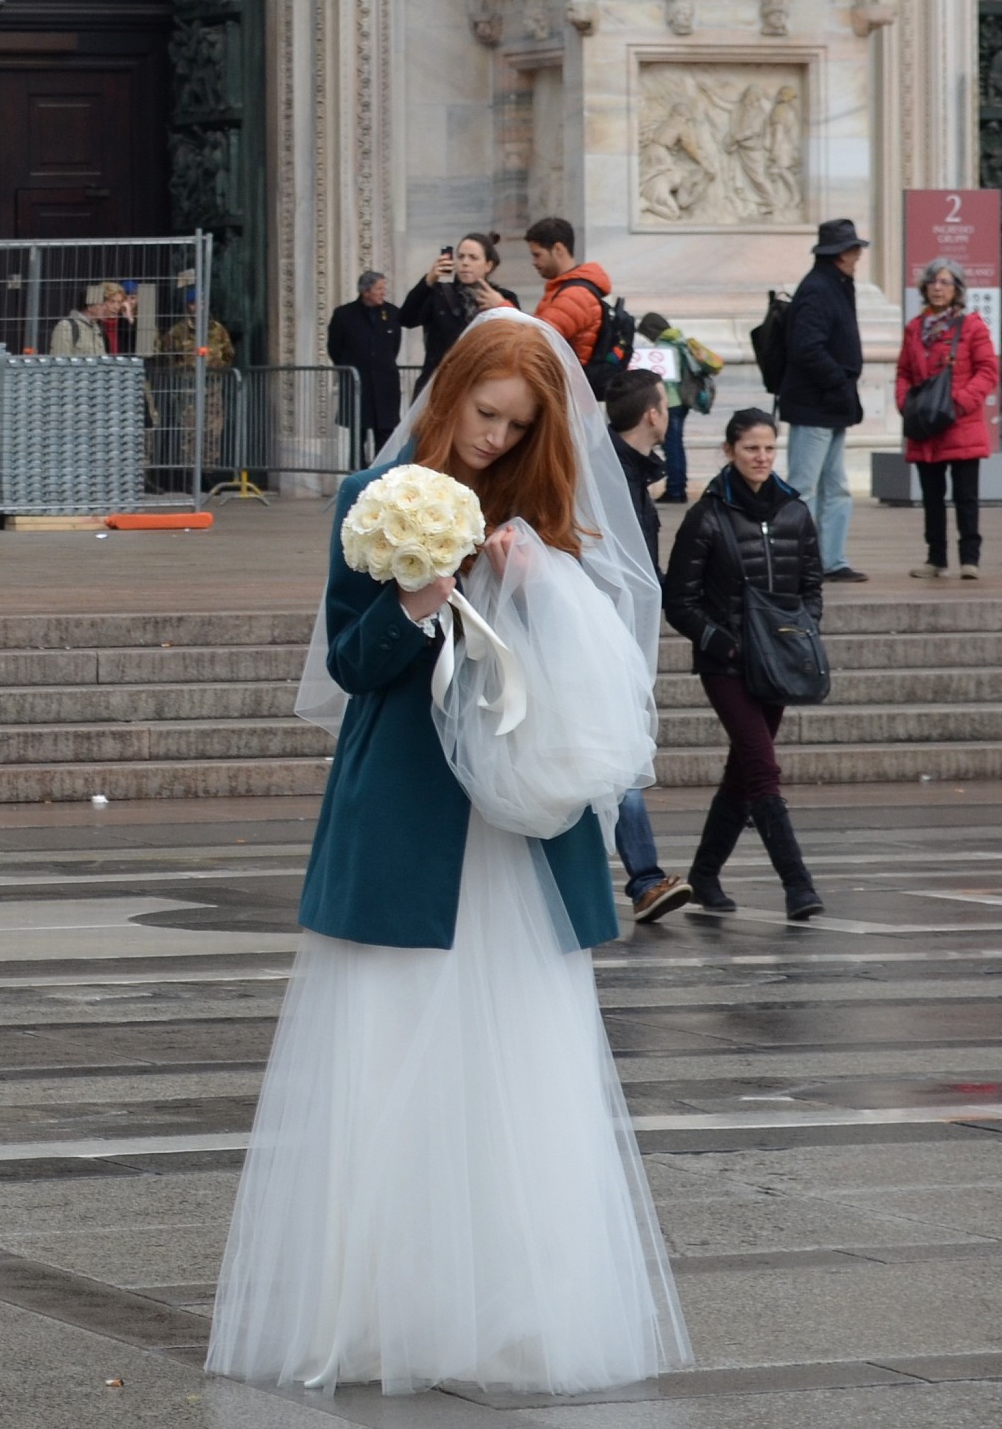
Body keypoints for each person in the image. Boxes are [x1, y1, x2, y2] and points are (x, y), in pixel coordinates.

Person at [209, 314, 689, 1396]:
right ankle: (388, 1312)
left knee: (525, 1059)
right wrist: (418, 602)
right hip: (408, 812)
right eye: (484, 415)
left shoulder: (551, 512)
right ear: (450, 393)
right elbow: (347, 659)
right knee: (392, 1052)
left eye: (517, 426)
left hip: (518, 826)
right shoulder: (370, 504)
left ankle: (521, 1312)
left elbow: (604, 657)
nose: (493, 439)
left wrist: (534, 580)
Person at [663, 408, 826, 921]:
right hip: (727, 666)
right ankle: (798, 885)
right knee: (761, 766)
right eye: (751, 448)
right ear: (730, 450)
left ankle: (705, 874)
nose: (761, 457)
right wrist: (726, 645)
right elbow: (679, 601)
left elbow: (812, 587)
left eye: (769, 448)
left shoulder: (795, 512)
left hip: (779, 665)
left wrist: (802, 635)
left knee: (743, 771)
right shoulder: (706, 516)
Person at [605, 368, 693, 923]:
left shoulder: (629, 473)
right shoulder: (612, 474)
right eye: (666, 405)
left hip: (619, 636)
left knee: (615, 754)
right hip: (601, 639)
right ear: (653, 414)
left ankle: (643, 878)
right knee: (616, 755)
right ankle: (643, 879)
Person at [896, 257, 999, 580]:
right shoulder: (915, 328)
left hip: (960, 424)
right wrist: (904, 403)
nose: (938, 288)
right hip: (925, 425)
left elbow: (988, 371)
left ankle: (970, 559)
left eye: (945, 282)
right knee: (931, 497)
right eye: (933, 282)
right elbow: (904, 372)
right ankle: (935, 558)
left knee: (965, 496)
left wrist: (960, 402)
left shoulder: (971, 326)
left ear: (957, 290)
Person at [779, 218, 869, 583]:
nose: (858, 256)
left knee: (836, 486)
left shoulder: (836, 285)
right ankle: (797, 562)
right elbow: (806, 346)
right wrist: (837, 381)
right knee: (804, 486)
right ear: (841, 254)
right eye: (854, 249)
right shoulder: (820, 288)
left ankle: (831, 560)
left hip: (831, 405)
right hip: (816, 403)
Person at [397, 232, 518, 394]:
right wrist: (428, 280)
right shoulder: (439, 294)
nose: (465, 263)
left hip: (483, 388)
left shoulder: (504, 298)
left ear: (488, 265)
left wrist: (501, 307)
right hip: (440, 388)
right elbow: (406, 318)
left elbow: (519, 340)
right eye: (460, 257)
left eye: (473, 258)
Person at [637, 311, 721, 504]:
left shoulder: (662, 347)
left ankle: (675, 490)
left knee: (672, 447)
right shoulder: (680, 342)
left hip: (670, 402)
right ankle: (678, 486)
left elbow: (663, 379)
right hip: (682, 402)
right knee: (676, 446)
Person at [327, 270, 405, 457]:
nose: (382, 292)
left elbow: (394, 347)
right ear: (366, 291)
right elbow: (335, 348)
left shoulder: (393, 313)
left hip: (385, 386)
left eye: (383, 288)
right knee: (357, 436)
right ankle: (359, 479)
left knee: (385, 437)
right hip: (357, 385)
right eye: (379, 288)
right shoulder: (344, 315)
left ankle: (382, 478)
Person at [527, 216, 614, 368]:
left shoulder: (575, 295)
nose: (534, 262)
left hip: (568, 383)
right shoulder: (567, 288)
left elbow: (537, 341)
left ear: (558, 249)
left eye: (537, 255)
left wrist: (504, 308)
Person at [48, 286, 112, 357]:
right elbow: (60, 361)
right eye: (102, 305)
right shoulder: (66, 327)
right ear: (90, 307)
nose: (106, 308)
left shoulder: (97, 328)